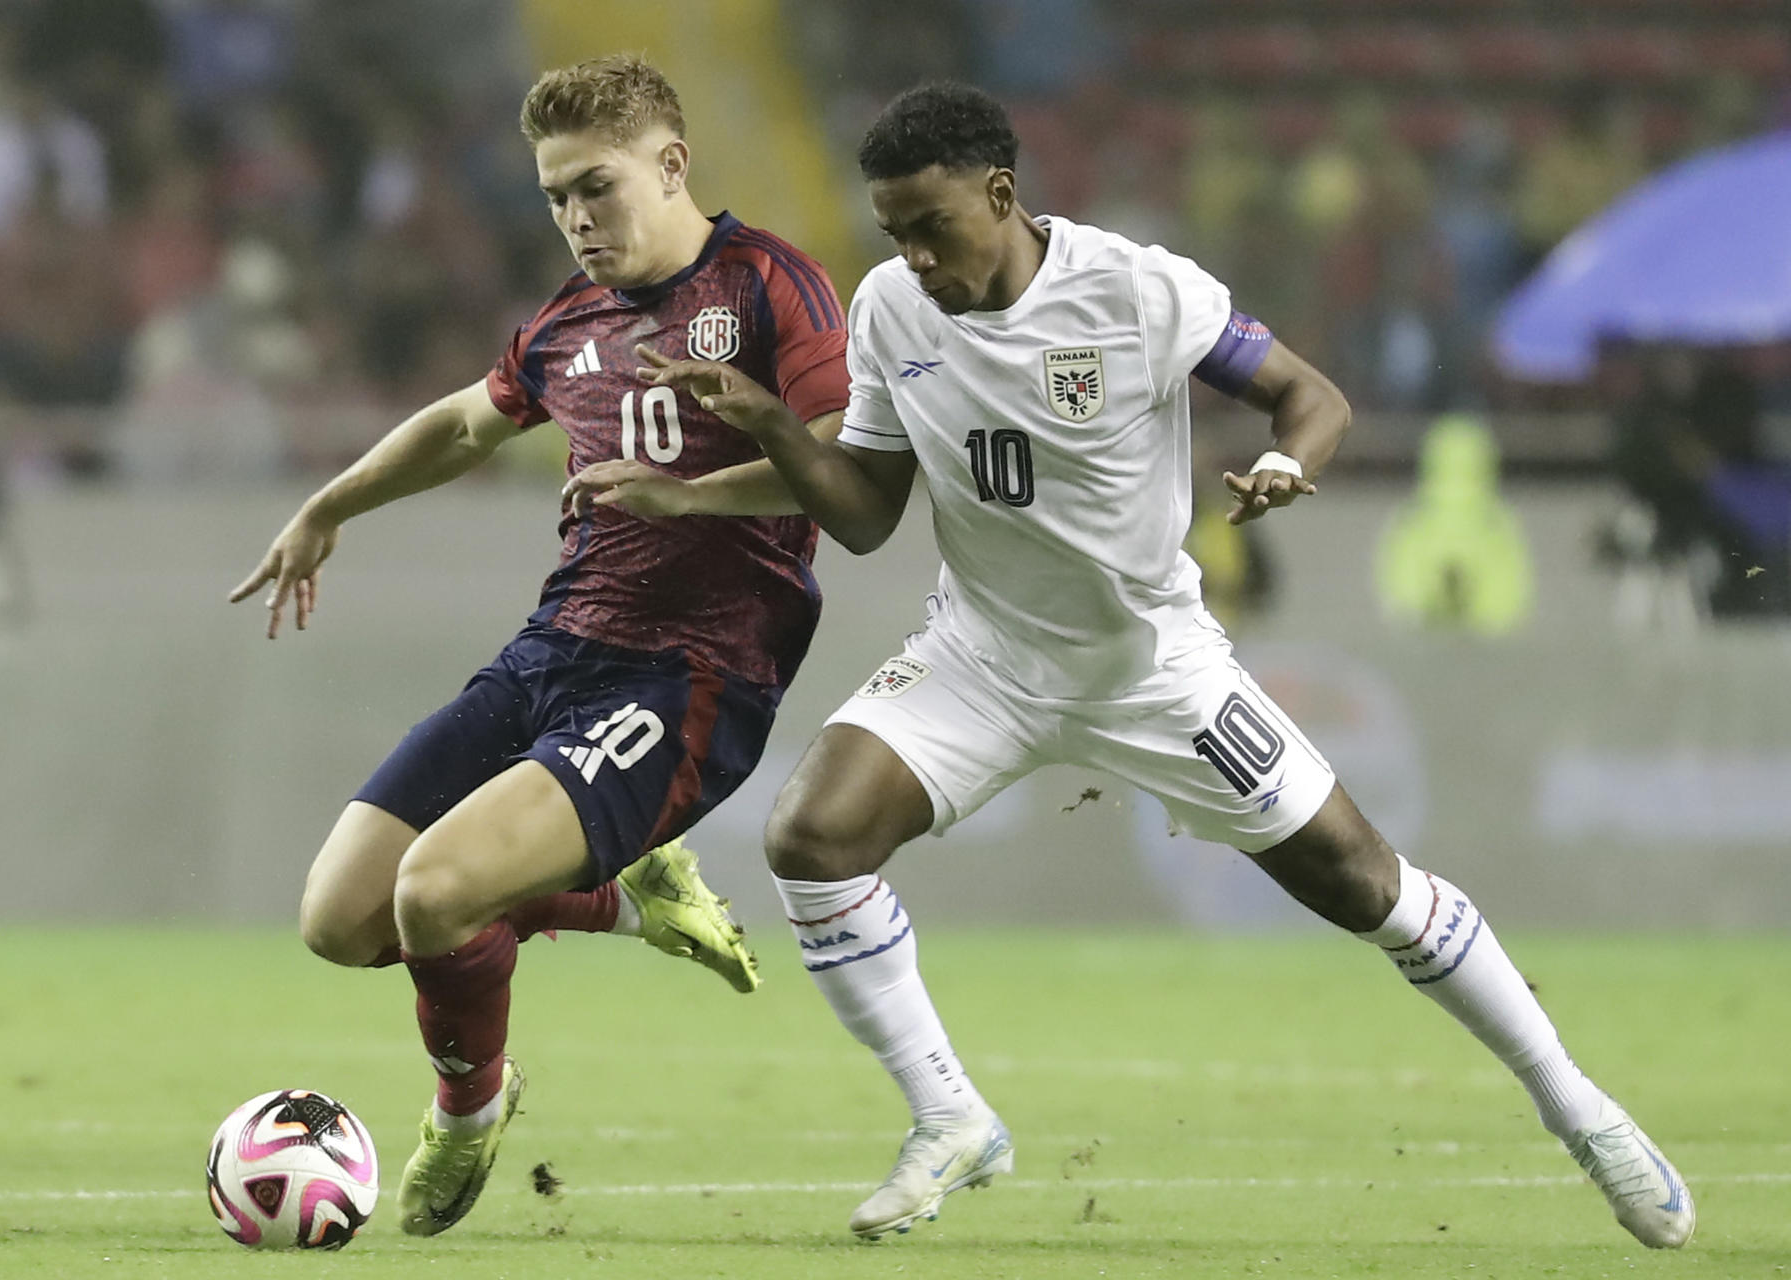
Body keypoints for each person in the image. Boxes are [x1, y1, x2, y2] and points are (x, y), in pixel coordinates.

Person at [567, 83, 1695, 1249]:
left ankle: (1582, 1107)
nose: (912, 254)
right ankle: (949, 1113)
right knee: (811, 835)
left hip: (1152, 666)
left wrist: (1287, 462)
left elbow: (1313, 397)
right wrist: (766, 430)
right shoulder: (893, 307)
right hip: (984, 656)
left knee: (1366, 885)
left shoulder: (1140, 288)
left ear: (1000, 194)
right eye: (893, 230)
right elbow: (864, 514)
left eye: (931, 226)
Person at [228, 54, 849, 1236]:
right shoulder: (569, 322)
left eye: (596, 187)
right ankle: (620, 898)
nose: (575, 217)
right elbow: (465, 422)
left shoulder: (771, 284)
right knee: (340, 919)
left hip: (690, 672)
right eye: (556, 195)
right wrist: (328, 507)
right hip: (548, 653)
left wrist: (686, 497)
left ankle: (469, 1107)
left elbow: (847, 464)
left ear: (670, 164)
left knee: (439, 892)